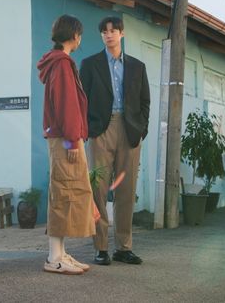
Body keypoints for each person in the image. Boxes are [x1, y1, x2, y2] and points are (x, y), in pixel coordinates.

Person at [79, 16, 150, 266]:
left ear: (122, 34)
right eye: (105, 31)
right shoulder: (90, 64)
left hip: (129, 131)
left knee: (126, 190)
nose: (109, 35)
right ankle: (100, 248)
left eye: (113, 30)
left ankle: (123, 247)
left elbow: (145, 101)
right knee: (98, 189)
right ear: (101, 35)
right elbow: (82, 100)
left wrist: (141, 129)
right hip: (100, 130)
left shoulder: (137, 67)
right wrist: (88, 130)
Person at [37, 14, 95, 275]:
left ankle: (60, 254)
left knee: (65, 192)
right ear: (75, 36)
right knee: (63, 193)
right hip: (66, 139)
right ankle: (54, 257)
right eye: (79, 34)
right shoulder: (62, 63)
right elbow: (66, 105)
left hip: (64, 137)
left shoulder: (58, 62)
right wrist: (73, 141)